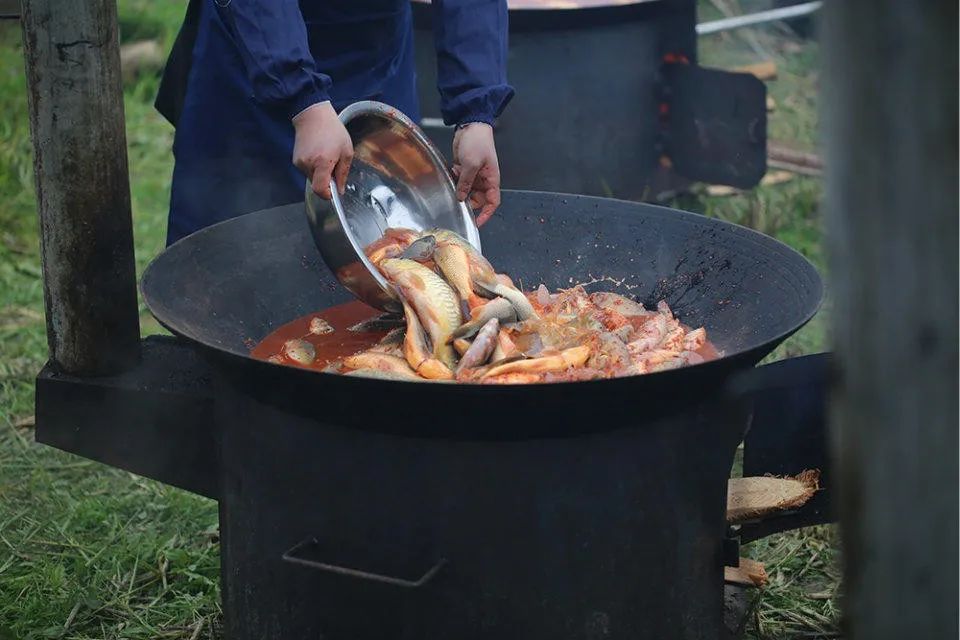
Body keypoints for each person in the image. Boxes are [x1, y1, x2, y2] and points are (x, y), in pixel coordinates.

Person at [155, 0, 514, 245]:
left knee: (389, 256)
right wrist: (304, 103)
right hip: (255, 53)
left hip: (376, 53)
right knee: (234, 274)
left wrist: (475, 109)